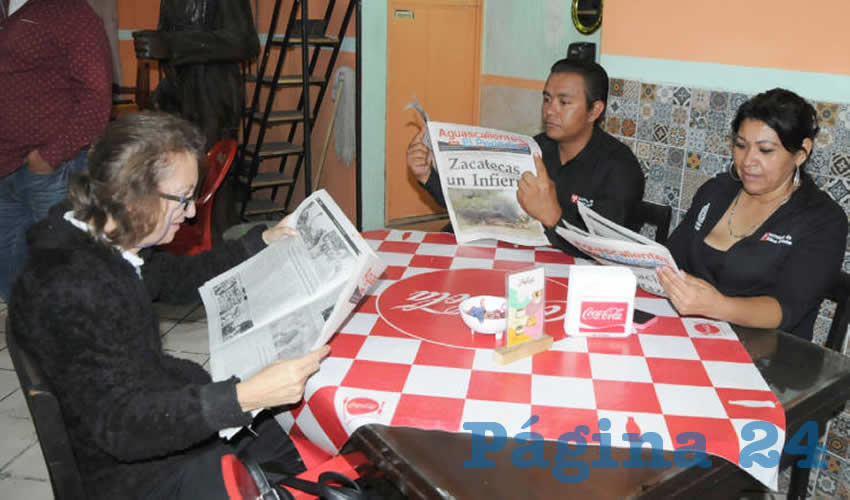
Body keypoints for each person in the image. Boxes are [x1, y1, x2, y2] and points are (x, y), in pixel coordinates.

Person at [8, 112, 329, 500]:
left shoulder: (102, 239)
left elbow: (178, 277)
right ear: (131, 193)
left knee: (274, 442)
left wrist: (261, 241)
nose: (191, 213)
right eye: (183, 199)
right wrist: (244, 397)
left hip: (148, 414)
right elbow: (122, 427)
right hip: (131, 473)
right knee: (262, 421)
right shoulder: (74, 287)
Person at [658, 88, 847, 340]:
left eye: (765, 150)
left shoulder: (822, 219)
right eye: (741, 146)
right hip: (691, 334)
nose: (748, 161)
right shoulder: (715, 192)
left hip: (768, 356)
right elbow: (672, 258)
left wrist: (718, 306)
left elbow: (788, 308)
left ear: (801, 152)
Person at [407, 58, 645, 255]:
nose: (550, 110)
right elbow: (479, 209)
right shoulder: (534, 148)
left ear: (594, 110)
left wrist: (554, 217)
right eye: (547, 99)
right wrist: (428, 176)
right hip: (520, 262)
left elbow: (609, 252)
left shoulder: (620, 169)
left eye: (564, 102)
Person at [0, 0, 112, 299]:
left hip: (49, 170)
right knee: (12, 277)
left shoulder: (70, 11)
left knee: (63, 271)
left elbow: (96, 96)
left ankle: (71, 343)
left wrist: (49, 156)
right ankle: (27, 340)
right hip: (4, 168)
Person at [132, 0, 259, 148]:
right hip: (177, 89)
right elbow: (167, 36)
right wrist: (155, 44)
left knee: (207, 164)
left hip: (211, 96)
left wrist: (172, 45)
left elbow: (246, 42)